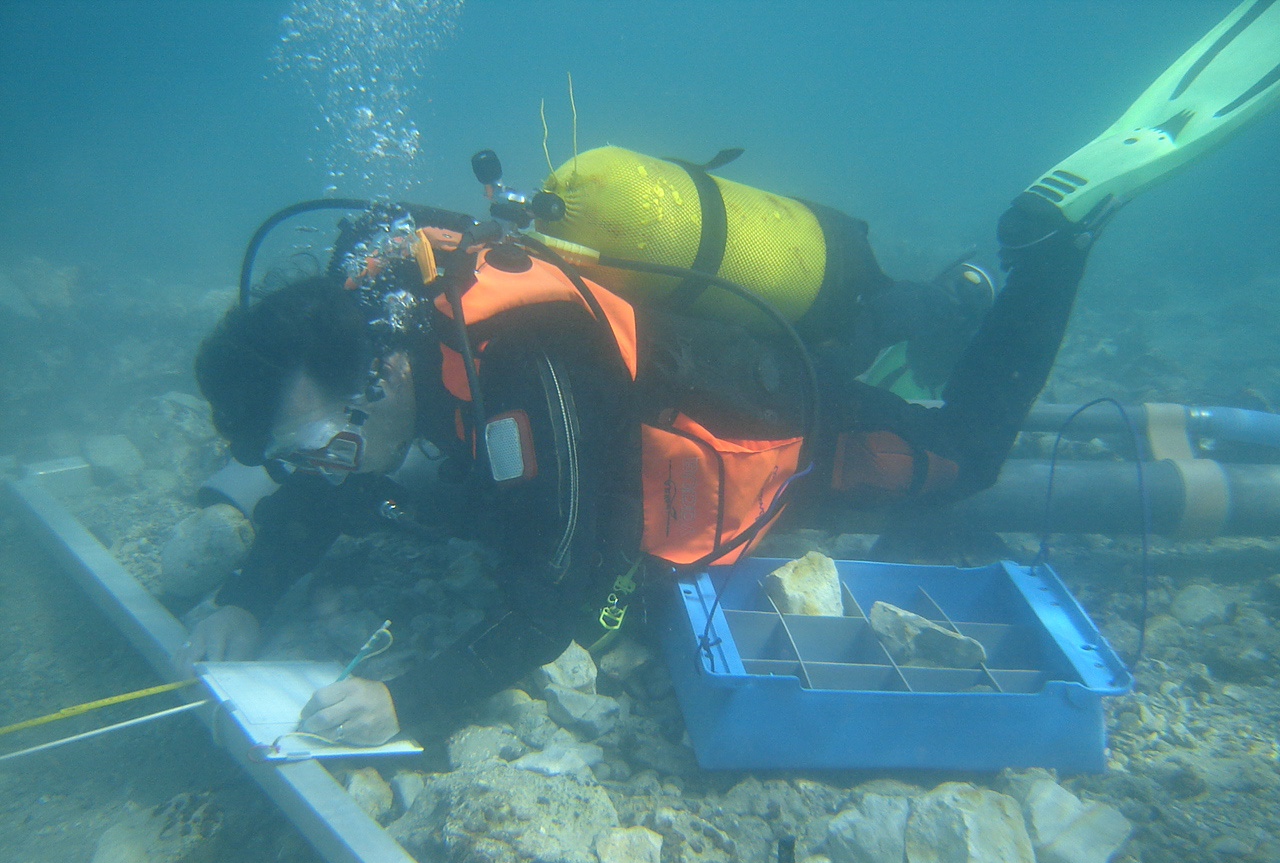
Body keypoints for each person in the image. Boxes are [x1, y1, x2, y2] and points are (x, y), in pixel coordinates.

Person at [185, 2, 1279, 746]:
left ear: (376, 372)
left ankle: (1049, 245)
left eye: (326, 443)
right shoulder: (378, 319)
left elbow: (573, 582)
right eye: (303, 456)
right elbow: (321, 473)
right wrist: (247, 593)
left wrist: (406, 698)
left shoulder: (520, 365)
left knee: (958, 457)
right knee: (893, 333)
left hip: (755, 402)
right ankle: (938, 304)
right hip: (653, 362)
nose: (324, 470)